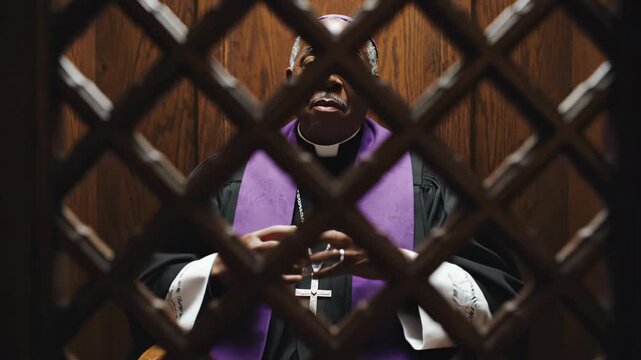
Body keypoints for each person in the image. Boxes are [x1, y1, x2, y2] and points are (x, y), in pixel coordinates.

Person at [131, 14, 522, 360]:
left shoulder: (430, 179)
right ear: (291, 81)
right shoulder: (229, 172)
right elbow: (145, 284)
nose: (331, 77)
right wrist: (220, 268)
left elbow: (502, 297)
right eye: (313, 63)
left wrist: (400, 267)